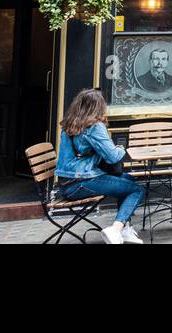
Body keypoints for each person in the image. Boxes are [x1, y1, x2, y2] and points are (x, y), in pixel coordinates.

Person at [55, 88, 145, 244]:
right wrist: (120, 148)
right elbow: (112, 157)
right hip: (82, 182)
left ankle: (125, 229)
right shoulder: (94, 126)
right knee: (137, 190)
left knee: (129, 181)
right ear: (98, 107)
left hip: (66, 184)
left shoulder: (69, 124)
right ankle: (116, 230)